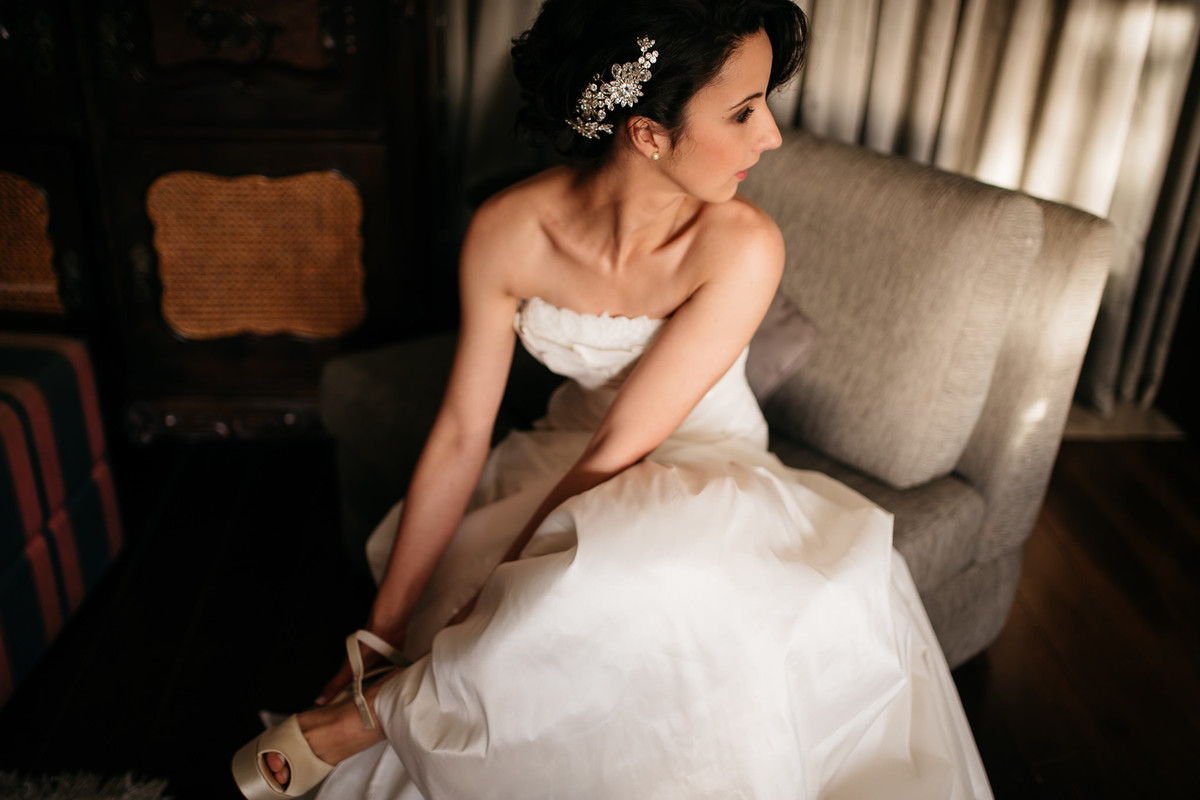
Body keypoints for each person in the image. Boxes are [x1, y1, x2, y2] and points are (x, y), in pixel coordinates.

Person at [233, 0, 994, 797]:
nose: (771, 135)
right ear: (647, 133)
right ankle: (387, 700)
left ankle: (368, 721)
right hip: (566, 451)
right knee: (521, 612)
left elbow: (619, 453)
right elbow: (461, 433)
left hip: (701, 466)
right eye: (744, 111)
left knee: (612, 580)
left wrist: (469, 628)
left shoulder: (744, 246)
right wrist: (381, 634)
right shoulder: (509, 231)